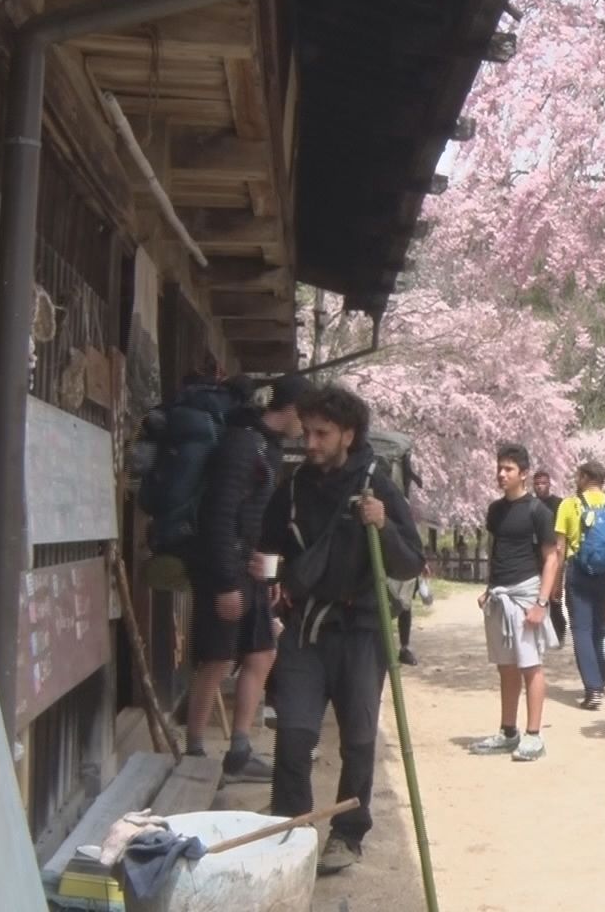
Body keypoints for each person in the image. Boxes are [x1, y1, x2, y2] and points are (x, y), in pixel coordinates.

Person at [262, 385, 424, 876]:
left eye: (322, 434)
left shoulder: (377, 485)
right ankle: (292, 831)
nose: (309, 443)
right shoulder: (294, 487)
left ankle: (348, 834)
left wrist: (383, 526)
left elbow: (410, 562)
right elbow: (266, 544)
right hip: (306, 629)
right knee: (294, 735)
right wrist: (269, 589)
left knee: (357, 739)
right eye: (307, 432)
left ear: (347, 435)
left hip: (362, 631)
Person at [185, 374, 309, 784]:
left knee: (262, 652)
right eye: (306, 417)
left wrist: (268, 567)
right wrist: (224, 583)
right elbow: (219, 516)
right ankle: (194, 750)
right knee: (217, 659)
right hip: (223, 567)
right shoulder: (242, 444)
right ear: (292, 408)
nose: (307, 429)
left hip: (250, 567)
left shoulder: (268, 446)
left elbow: (258, 516)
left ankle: (239, 750)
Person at [470, 443, 561, 761]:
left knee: (530, 666)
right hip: (499, 595)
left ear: (523, 474)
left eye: (508, 469)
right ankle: (508, 732)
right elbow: (497, 550)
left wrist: (541, 603)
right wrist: (489, 588)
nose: (501, 474)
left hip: (526, 593)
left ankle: (534, 736)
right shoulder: (495, 511)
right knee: (506, 667)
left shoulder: (539, 512)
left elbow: (552, 559)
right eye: (499, 468)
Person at [555, 460, 605, 711]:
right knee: (602, 629)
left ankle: (592, 688)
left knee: (582, 630)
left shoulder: (568, 505)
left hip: (578, 572)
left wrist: (556, 583)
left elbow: (560, 548)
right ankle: (601, 683)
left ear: (585, 477)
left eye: (578, 476)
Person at [533, 469, 570, 643]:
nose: (540, 486)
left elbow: (563, 532)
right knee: (536, 596)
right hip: (534, 555)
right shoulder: (531, 504)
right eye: (537, 483)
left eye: (543, 483)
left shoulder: (558, 504)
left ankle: (559, 631)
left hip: (554, 553)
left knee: (554, 596)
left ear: (549, 484)